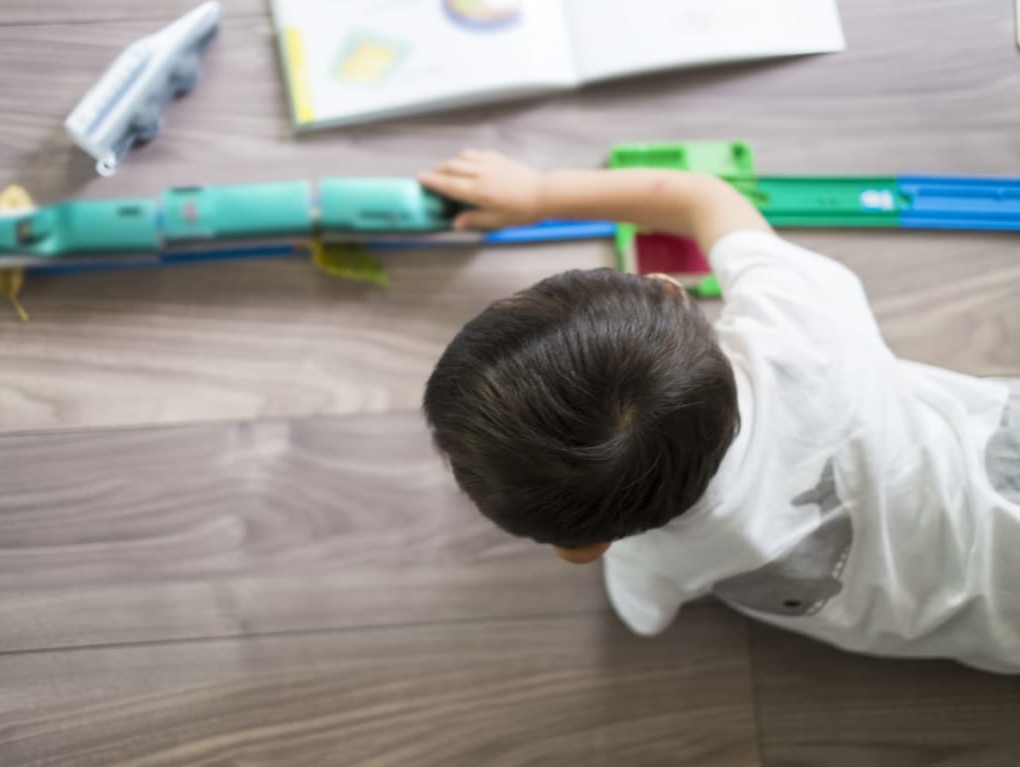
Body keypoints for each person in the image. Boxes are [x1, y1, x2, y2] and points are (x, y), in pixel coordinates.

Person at [419, 150, 1020, 674]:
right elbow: (704, 196)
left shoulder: (658, 559)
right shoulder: (802, 325)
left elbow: (643, 616)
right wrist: (540, 193)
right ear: (670, 290)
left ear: (589, 544)